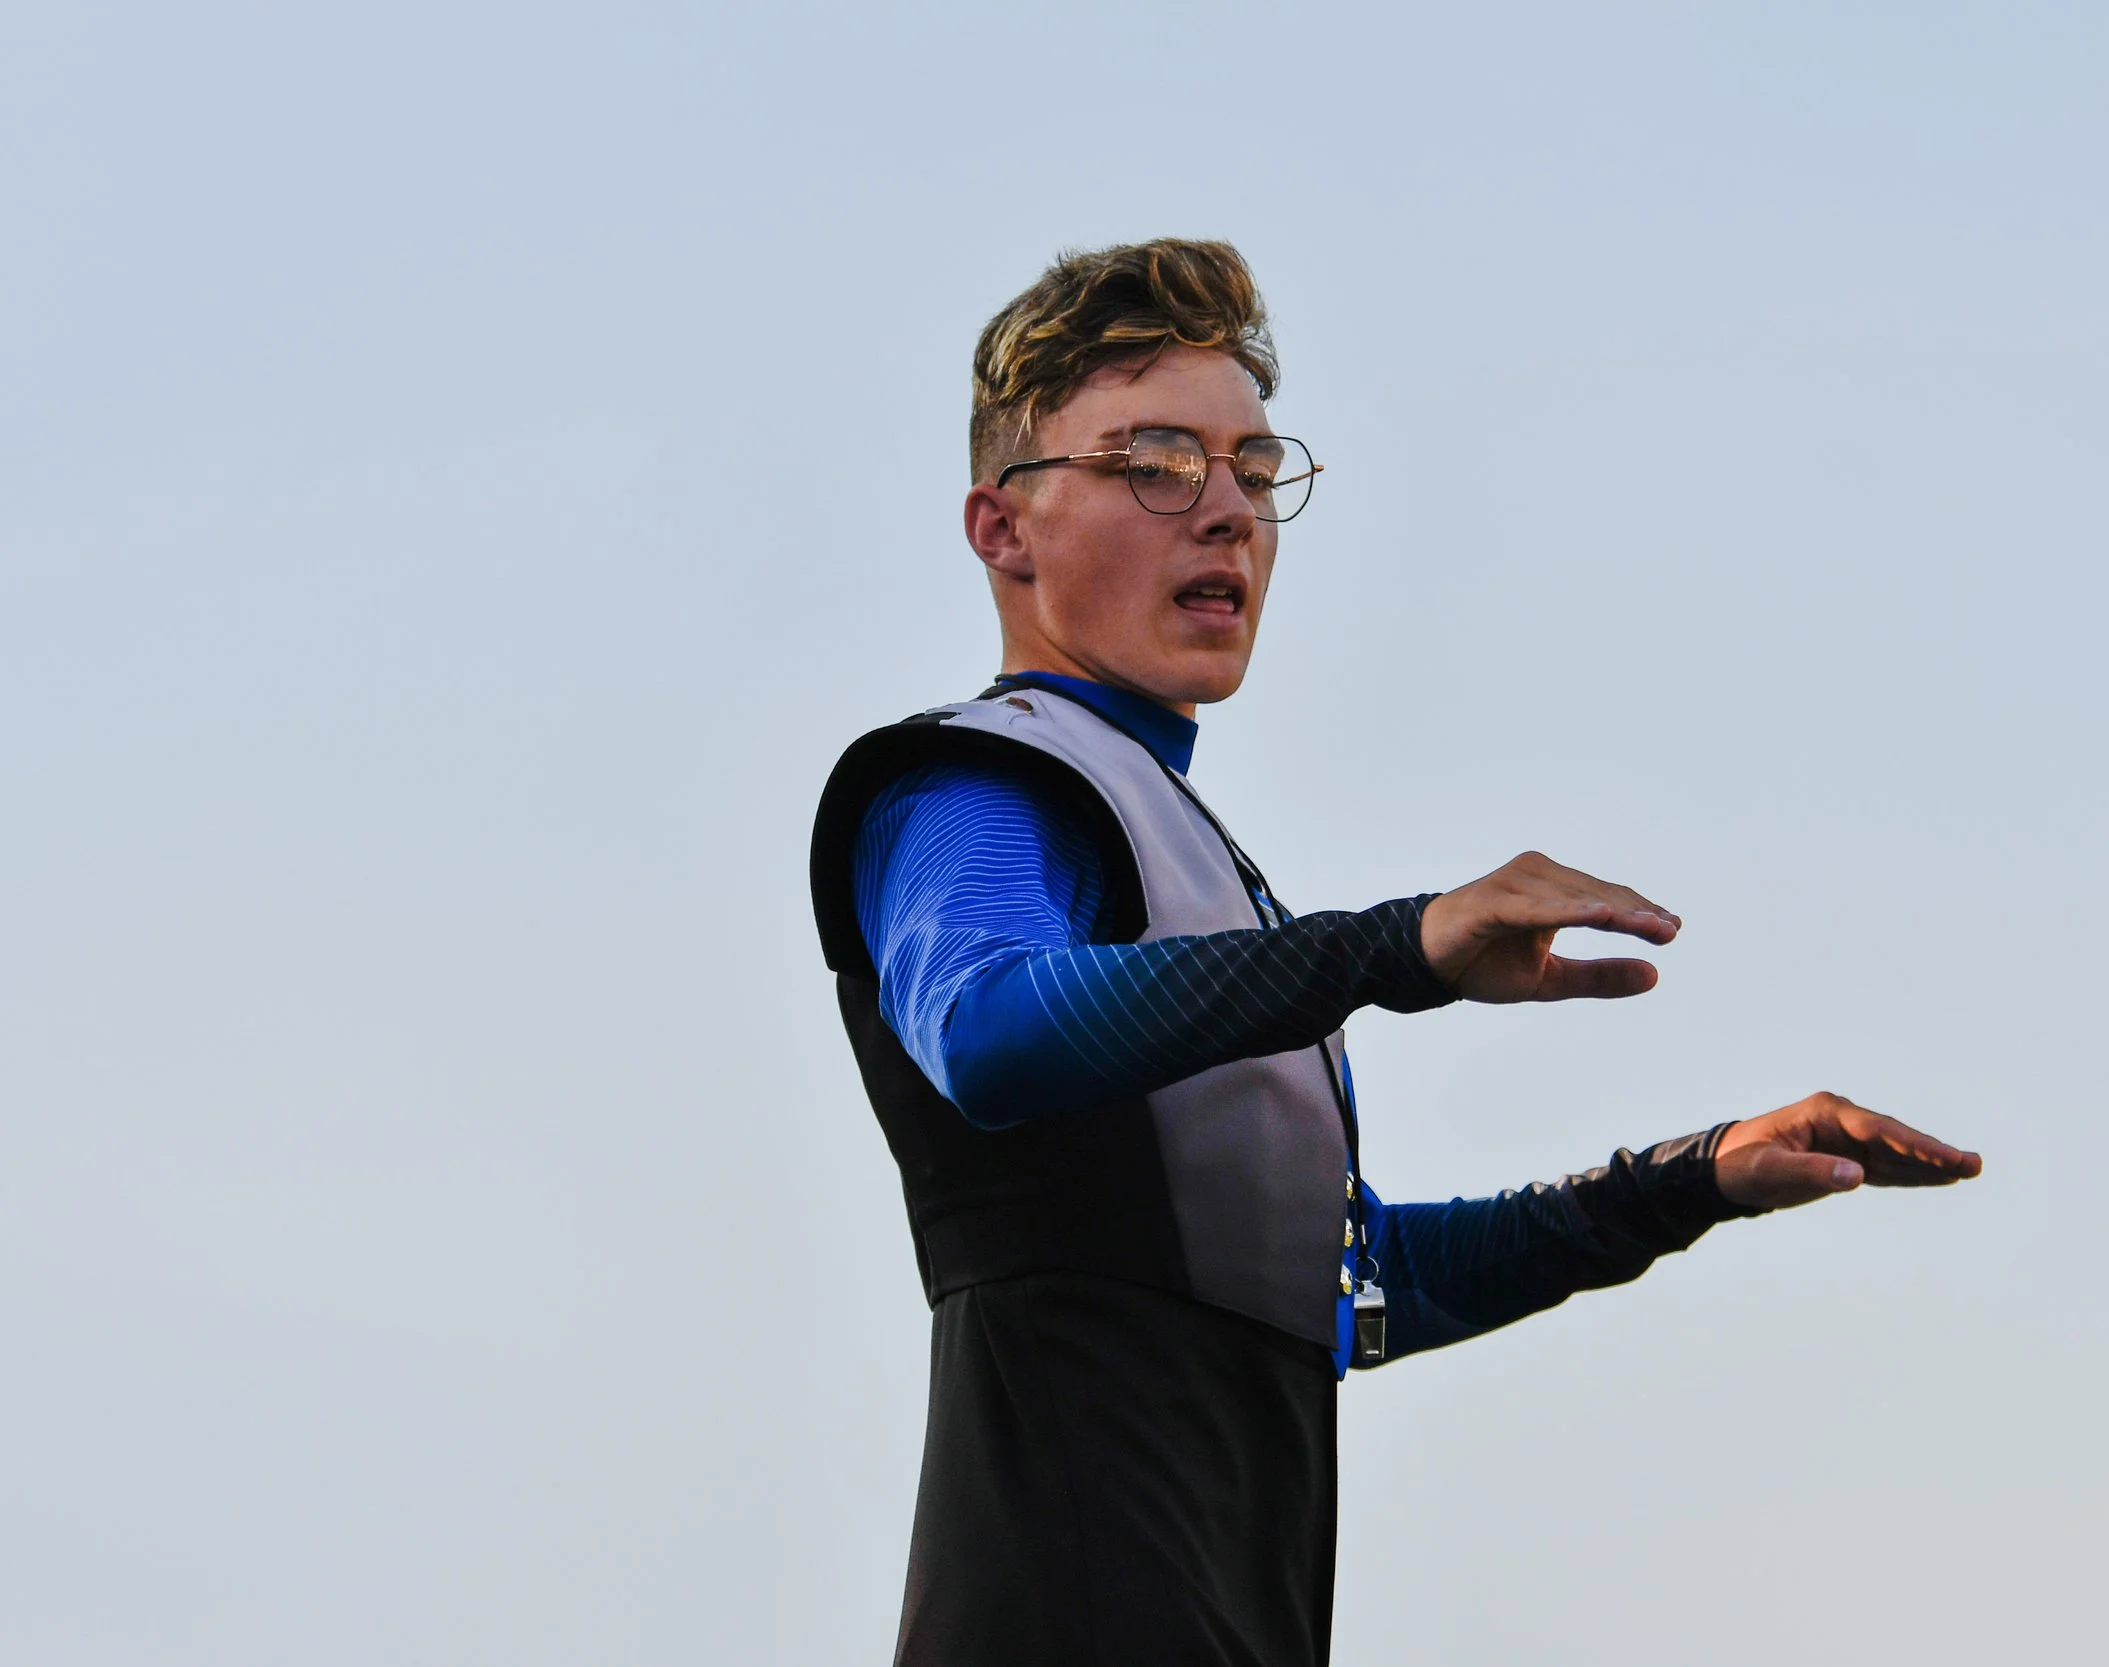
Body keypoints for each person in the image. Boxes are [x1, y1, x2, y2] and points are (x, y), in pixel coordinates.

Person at [809, 238, 1982, 1667]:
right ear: (1005, 530)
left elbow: (1350, 1284)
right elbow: (987, 1028)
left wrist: (1690, 1179)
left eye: (1254, 467)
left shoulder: (1197, 862)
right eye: (1158, 463)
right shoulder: (973, 785)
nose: (1226, 511)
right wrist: (1400, 946)